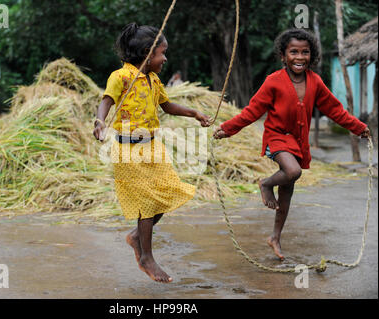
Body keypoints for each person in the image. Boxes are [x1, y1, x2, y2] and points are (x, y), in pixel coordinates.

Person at [213, 29, 370, 261]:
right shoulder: (273, 81)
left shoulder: (315, 82)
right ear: (283, 56)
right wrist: (228, 128)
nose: (299, 57)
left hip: (298, 142)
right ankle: (265, 184)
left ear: (312, 55)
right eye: (293, 52)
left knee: (288, 187)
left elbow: (334, 110)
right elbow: (252, 110)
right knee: (293, 171)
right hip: (277, 137)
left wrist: (358, 127)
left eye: (305, 52)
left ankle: (275, 237)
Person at [93, 22, 210, 283]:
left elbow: (167, 106)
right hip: (128, 149)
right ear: (147, 53)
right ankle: (146, 256)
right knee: (147, 201)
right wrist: (100, 122)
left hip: (153, 147)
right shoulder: (120, 77)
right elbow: (106, 102)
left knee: (167, 192)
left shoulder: (154, 79)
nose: (165, 58)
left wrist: (194, 113)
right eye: (162, 53)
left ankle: (136, 237)